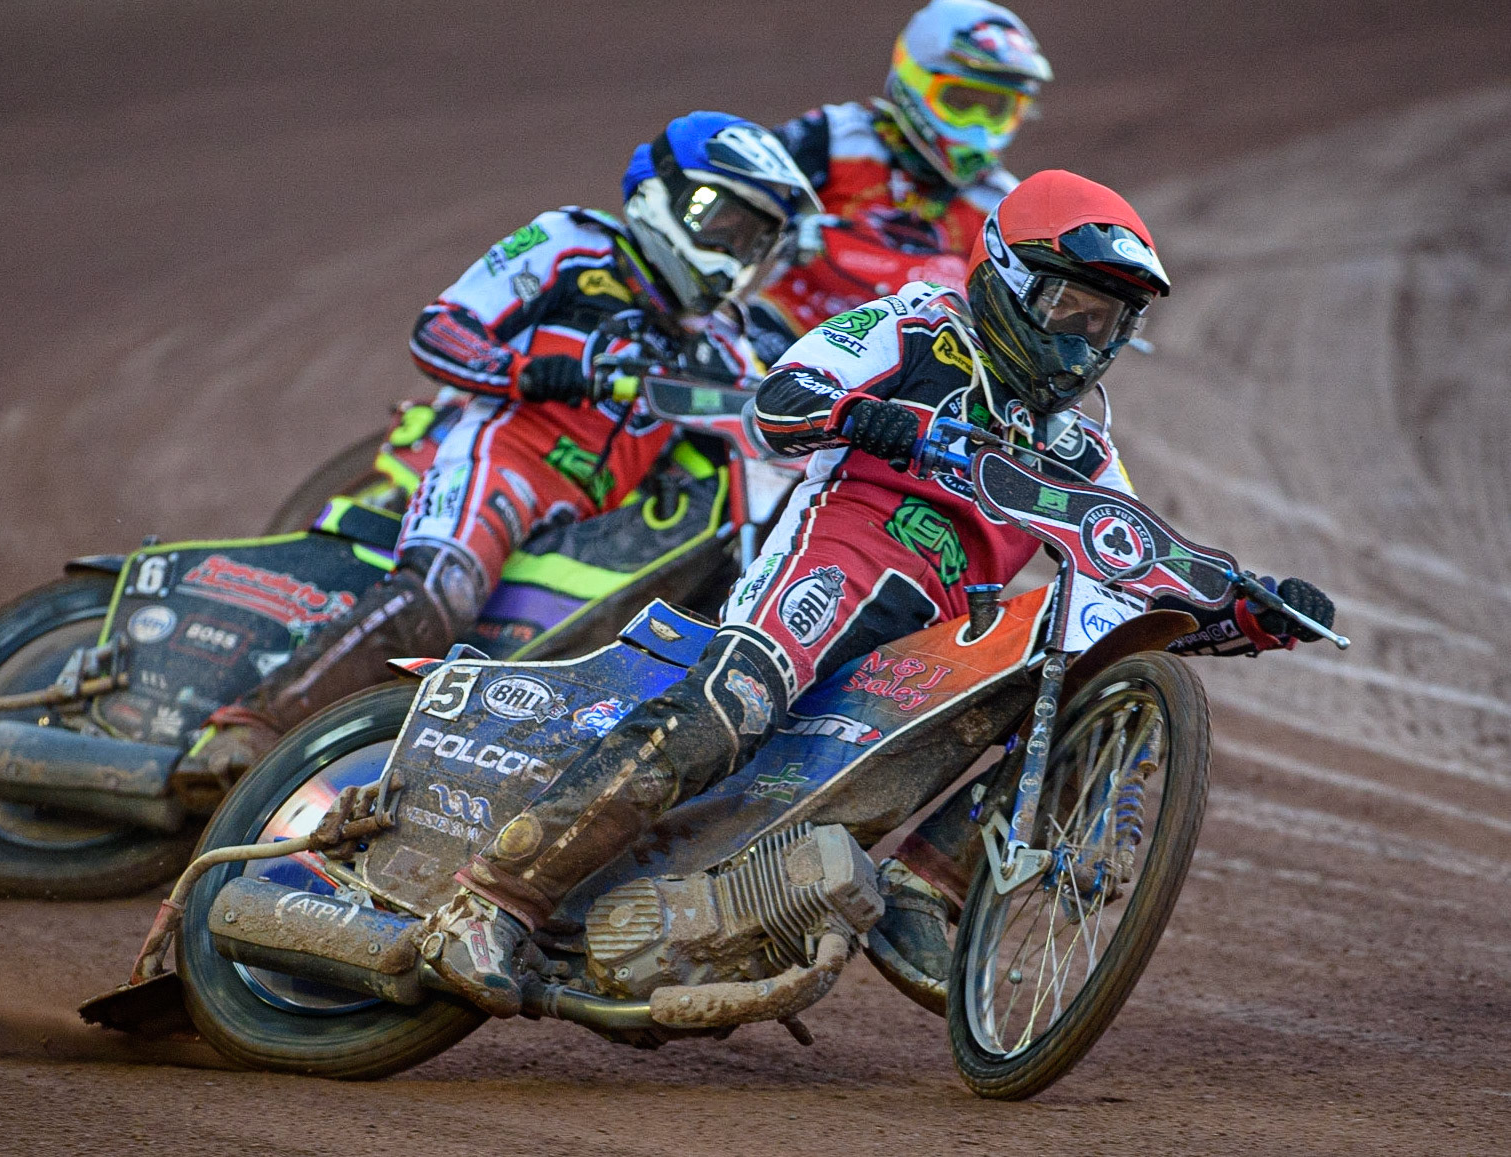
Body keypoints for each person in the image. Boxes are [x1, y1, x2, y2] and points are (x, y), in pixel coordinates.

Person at [418, 168, 1336, 1017]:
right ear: (1008, 279)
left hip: (932, 646)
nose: (1082, 339)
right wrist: (875, 418)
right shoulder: (914, 326)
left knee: (1073, 679)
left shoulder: (1079, 445)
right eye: (1069, 307)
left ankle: (925, 893)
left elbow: (1126, 563)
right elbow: (782, 402)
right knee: (731, 704)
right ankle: (491, 900)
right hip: (833, 564)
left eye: (1106, 323)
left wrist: (1246, 611)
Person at [195, 112, 820, 770]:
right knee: (447, 587)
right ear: (659, 189)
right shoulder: (571, 244)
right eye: (720, 219)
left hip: (590, 518)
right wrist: (531, 372)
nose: (732, 246)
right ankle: (252, 727)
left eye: (752, 237)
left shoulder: (722, 340)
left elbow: (768, 419)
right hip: (506, 458)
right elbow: (442, 329)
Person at [753, 0, 1052, 353]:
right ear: (914, 80)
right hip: (782, 341)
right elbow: (734, 200)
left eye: (994, 109)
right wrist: (777, 230)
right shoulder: (836, 139)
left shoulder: (1000, 208)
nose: (977, 125)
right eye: (961, 101)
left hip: (903, 376)